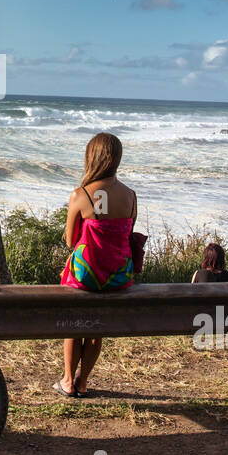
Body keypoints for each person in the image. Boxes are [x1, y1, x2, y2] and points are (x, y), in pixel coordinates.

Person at [55, 132, 136, 399]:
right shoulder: (130, 196)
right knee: (96, 327)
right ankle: (83, 381)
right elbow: (125, 234)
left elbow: (70, 241)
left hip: (85, 276)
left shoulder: (81, 195)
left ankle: (67, 380)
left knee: (73, 324)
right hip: (117, 276)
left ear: (92, 157)